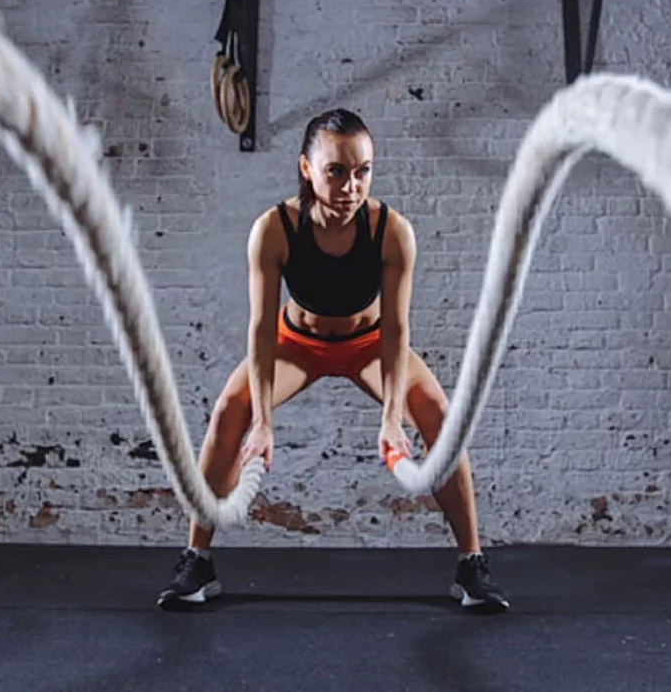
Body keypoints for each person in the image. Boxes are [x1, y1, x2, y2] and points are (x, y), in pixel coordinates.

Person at [156, 108, 509, 613]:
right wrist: (262, 420)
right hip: (294, 343)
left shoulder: (392, 231)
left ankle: (471, 565)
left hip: (370, 343)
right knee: (228, 415)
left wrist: (391, 418)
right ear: (306, 168)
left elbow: (396, 329)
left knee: (441, 421)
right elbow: (259, 330)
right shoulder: (274, 229)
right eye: (336, 171)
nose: (350, 186)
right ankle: (197, 559)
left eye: (362, 171)